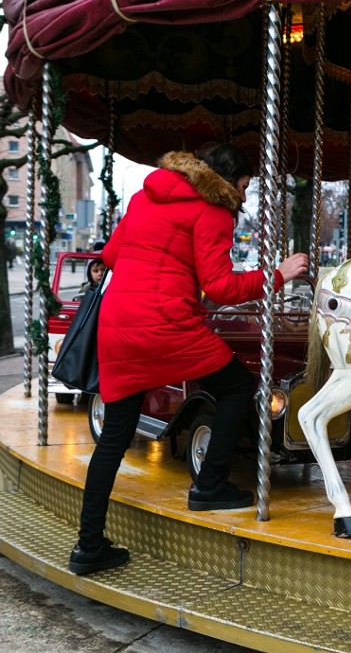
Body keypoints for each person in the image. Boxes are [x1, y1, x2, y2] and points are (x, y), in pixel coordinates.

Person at [68, 142, 308, 576]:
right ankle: (209, 485)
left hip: (118, 327)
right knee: (238, 386)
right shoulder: (212, 212)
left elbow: (110, 256)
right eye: (244, 185)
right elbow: (220, 287)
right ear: (227, 180)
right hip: (166, 326)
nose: (244, 195)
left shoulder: (145, 196)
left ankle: (88, 546)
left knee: (114, 440)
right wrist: (278, 275)